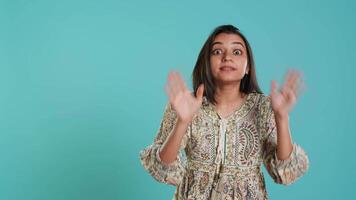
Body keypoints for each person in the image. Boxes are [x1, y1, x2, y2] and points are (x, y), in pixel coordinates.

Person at [139, 24, 309, 200]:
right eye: (217, 51)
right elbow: (162, 167)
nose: (227, 57)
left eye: (236, 52)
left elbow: (284, 171)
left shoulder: (264, 106)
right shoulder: (186, 103)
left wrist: (282, 117)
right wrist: (183, 121)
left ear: (248, 66)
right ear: (207, 62)